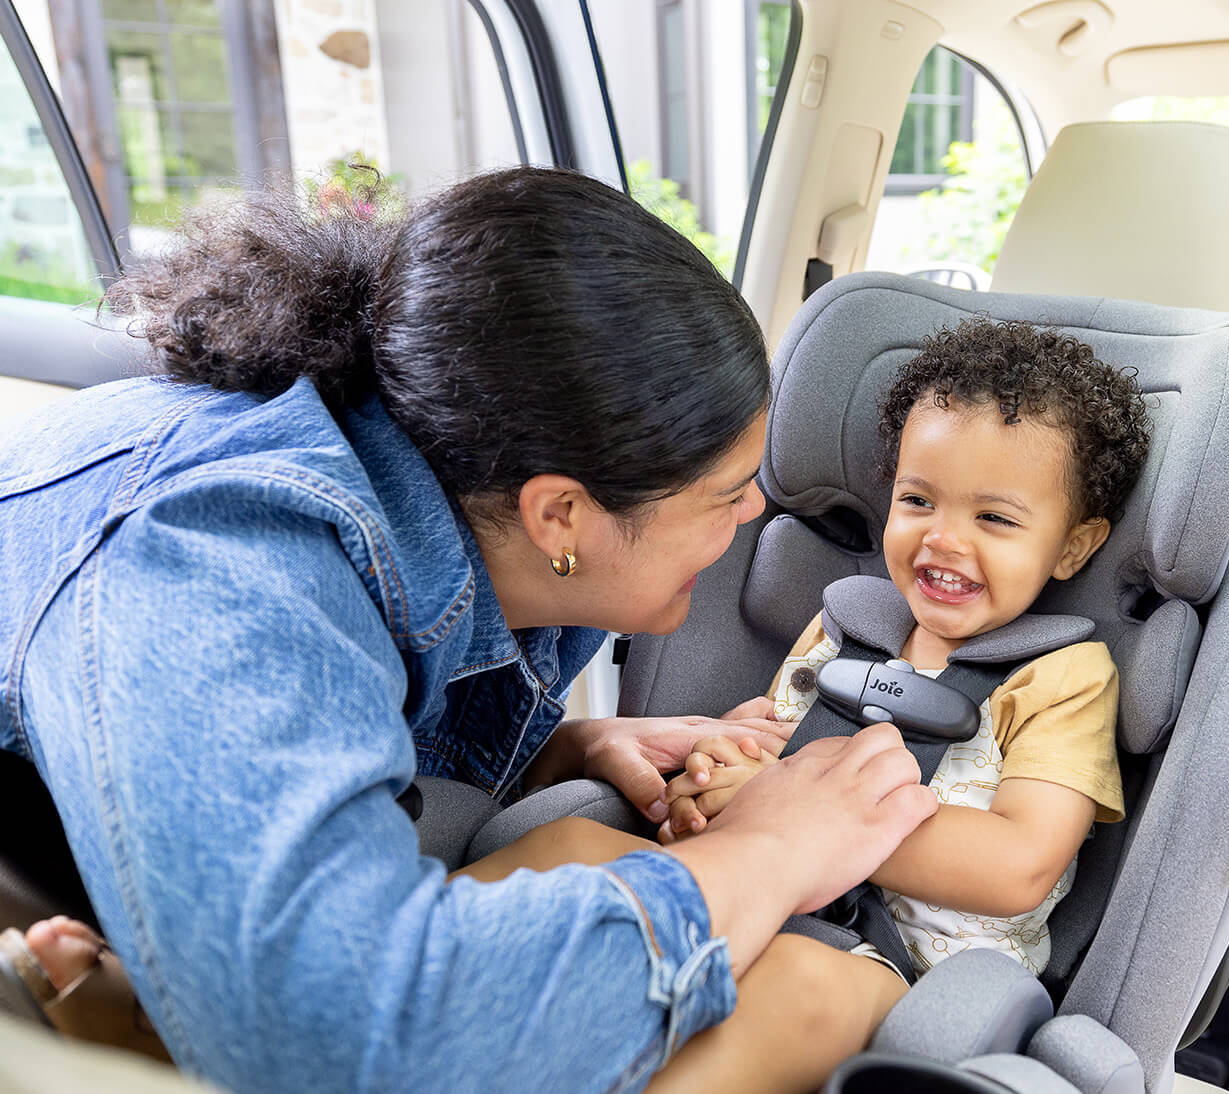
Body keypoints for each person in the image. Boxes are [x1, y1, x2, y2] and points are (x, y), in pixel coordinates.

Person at [0, 166, 936, 1092]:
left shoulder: (455, 495)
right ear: (560, 515)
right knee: (820, 993)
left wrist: (557, 753)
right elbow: (365, 1037)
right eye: (725, 497)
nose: (747, 522)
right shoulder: (220, 557)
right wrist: (773, 850)